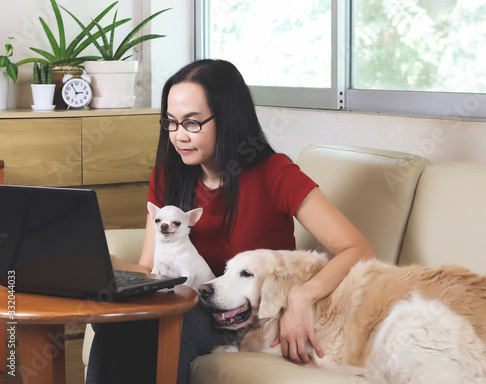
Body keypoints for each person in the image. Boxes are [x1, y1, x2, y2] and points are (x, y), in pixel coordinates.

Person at [86, 59, 376, 384]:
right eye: (171, 122)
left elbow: (359, 248)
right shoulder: (169, 174)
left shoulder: (274, 173)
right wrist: (106, 265)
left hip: (242, 320)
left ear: (227, 119)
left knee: (170, 325)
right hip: (184, 302)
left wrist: (301, 296)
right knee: (117, 323)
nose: (179, 136)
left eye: (192, 123)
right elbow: (151, 268)